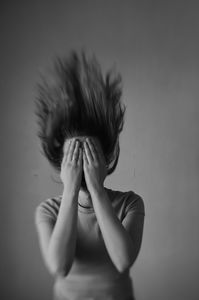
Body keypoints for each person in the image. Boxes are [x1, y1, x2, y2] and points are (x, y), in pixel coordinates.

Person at [34, 50, 145, 300]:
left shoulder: (131, 204)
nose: (82, 164)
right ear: (61, 163)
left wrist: (96, 189)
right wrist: (71, 189)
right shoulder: (47, 211)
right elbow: (60, 267)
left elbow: (123, 261)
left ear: (105, 159)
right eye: (74, 156)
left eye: (90, 155)